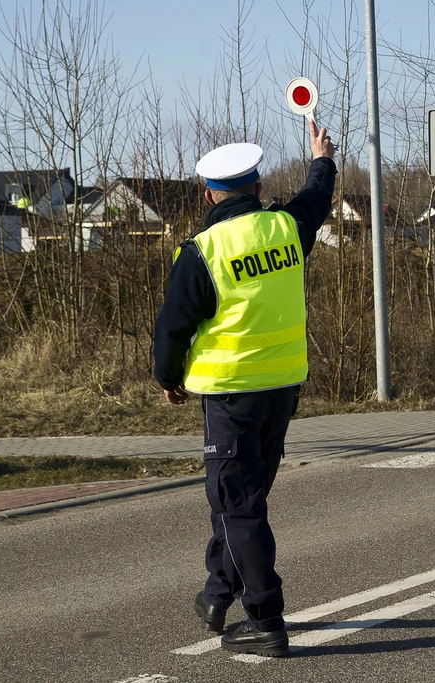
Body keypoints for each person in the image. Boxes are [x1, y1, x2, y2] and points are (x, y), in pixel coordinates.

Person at [153, 120, 336, 658]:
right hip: (282, 391)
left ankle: (265, 619)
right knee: (244, 503)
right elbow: (316, 199)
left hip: (231, 396)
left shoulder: (201, 252)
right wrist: (320, 158)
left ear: (209, 194)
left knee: (237, 507)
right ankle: (217, 594)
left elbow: (172, 327)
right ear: (257, 188)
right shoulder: (285, 230)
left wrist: (169, 379)